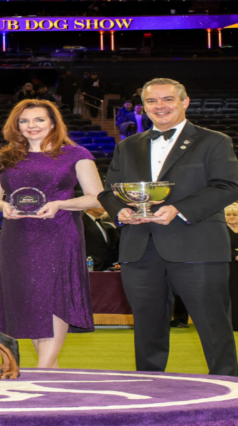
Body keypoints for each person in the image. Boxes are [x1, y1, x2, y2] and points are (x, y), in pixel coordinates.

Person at [98, 78, 238, 376]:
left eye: (168, 99)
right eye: (152, 101)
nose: (160, 106)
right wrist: (121, 212)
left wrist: (179, 209)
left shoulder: (214, 141)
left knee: (214, 328)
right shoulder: (127, 146)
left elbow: (228, 186)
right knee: (147, 331)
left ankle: (229, 393)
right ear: (144, 106)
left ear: (184, 102)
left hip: (198, 247)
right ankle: (151, 392)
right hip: (139, 249)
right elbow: (109, 191)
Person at [0, 98, 102, 368]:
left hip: (59, 233)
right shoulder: (5, 157)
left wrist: (62, 204)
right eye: (24, 121)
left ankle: (42, 370)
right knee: (32, 300)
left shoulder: (76, 154)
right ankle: (52, 372)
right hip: (18, 235)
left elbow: (96, 198)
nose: (31, 126)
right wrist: (3, 205)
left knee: (54, 296)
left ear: (53, 123)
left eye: (38, 120)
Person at [82, 207, 119, 271]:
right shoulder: (82, 220)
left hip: (103, 266)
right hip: (89, 265)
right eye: (100, 205)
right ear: (91, 207)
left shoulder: (98, 222)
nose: (104, 207)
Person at [225, 203, 238, 331]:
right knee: (232, 294)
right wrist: (234, 256)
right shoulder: (223, 230)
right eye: (228, 215)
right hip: (230, 266)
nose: (232, 217)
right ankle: (232, 323)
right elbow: (220, 248)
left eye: (235, 215)